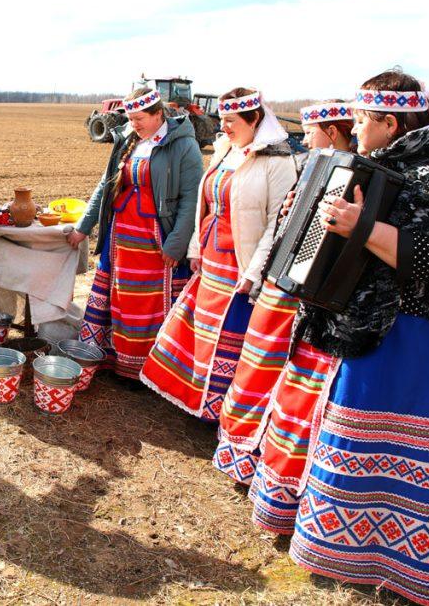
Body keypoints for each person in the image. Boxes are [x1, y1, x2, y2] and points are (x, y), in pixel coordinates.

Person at [283, 71, 429, 606]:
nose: (353, 126)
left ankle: (403, 563)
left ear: (389, 123)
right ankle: (354, 548)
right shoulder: (378, 165)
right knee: (356, 437)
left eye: (361, 119)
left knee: (396, 449)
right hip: (374, 325)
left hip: (417, 334)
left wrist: (361, 228)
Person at [214, 101, 355, 485]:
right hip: (282, 281)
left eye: (311, 131)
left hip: (307, 291)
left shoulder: (351, 173)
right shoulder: (310, 164)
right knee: (259, 366)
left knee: (286, 377)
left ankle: (272, 460)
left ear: (330, 131)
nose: (304, 138)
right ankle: (244, 452)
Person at [139, 88, 296, 420]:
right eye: (222, 119)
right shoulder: (226, 150)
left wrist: (254, 272)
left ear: (254, 119)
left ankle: (219, 411)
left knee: (228, 337)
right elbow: (203, 203)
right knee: (202, 332)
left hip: (240, 261)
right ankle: (194, 398)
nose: (223, 127)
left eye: (231, 121)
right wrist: (195, 248)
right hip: (211, 257)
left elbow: (277, 225)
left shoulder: (278, 161)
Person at [68, 87, 202, 384]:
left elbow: (191, 200)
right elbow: (106, 187)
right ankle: (115, 360)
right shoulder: (129, 139)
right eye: (130, 118)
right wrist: (83, 227)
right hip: (121, 239)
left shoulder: (183, 146)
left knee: (147, 303)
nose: (134, 124)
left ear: (158, 114)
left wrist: (176, 245)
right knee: (120, 299)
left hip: (155, 241)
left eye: (139, 118)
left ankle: (146, 370)